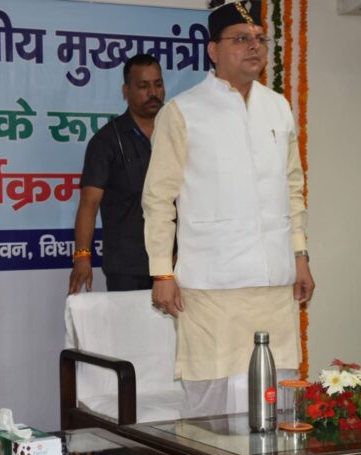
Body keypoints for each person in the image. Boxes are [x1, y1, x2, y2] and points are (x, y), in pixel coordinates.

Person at [142, 1, 315, 417]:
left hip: (274, 283)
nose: (254, 46)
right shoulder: (183, 111)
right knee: (210, 408)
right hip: (211, 286)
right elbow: (158, 198)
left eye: (259, 39)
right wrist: (162, 272)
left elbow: (292, 188)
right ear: (213, 50)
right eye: (240, 39)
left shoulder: (278, 107)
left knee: (278, 400)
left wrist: (300, 255)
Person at [68, 54, 165, 293]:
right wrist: (82, 256)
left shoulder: (177, 133)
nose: (153, 92)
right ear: (126, 91)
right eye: (143, 86)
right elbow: (89, 204)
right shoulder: (106, 141)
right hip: (128, 267)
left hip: (175, 262)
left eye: (158, 84)